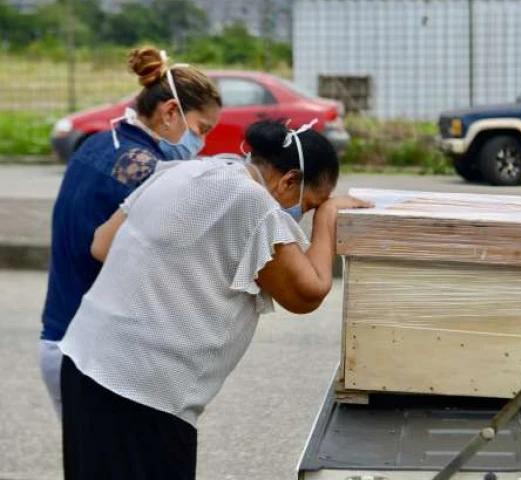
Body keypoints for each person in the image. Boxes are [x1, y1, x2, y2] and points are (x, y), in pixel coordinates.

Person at [57, 119, 373, 479]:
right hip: (143, 394)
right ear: (289, 180)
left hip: (84, 362)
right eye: (311, 204)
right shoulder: (252, 203)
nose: (305, 214)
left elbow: (102, 243)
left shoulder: (185, 169)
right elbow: (307, 293)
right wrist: (329, 220)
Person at [38, 46, 222, 419]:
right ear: (171, 111)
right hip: (93, 358)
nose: (201, 143)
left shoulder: (98, 144)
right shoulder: (147, 170)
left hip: (59, 337)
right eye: (202, 130)